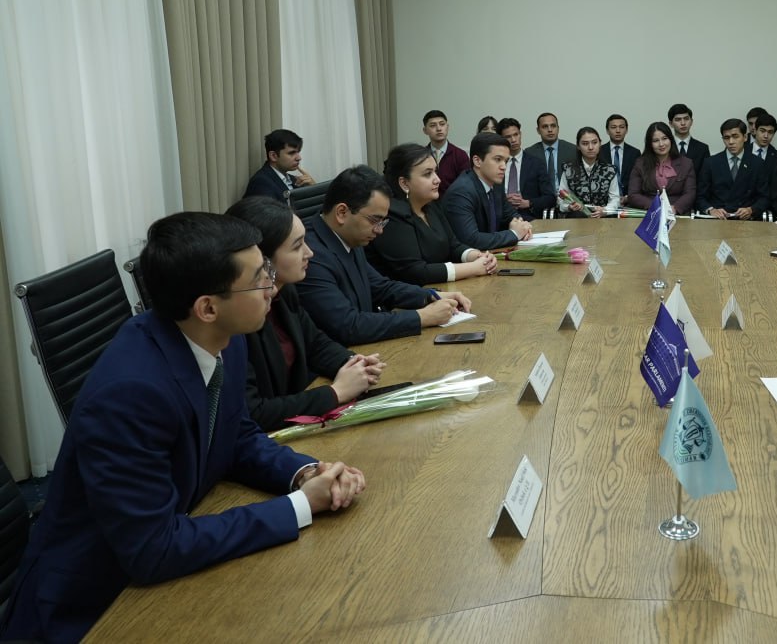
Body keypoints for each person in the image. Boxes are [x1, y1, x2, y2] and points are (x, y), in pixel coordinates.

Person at [0, 212, 365, 641]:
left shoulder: (225, 337)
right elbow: (153, 548)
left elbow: (236, 434)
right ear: (207, 307)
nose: (272, 286)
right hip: (93, 606)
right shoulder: (130, 394)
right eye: (259, 278)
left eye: (267, 268)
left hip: (169, 555)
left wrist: (303, 473)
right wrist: (299, 506)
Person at [227, 196, 386, 431]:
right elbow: (255, 413)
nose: (309, 253)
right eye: (297, 246)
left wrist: (353, 363)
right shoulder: (236, 320)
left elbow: (315, 343)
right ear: (260, 258)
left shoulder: (285, 292)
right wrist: (335, 392)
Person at [297, 165, 469, 344]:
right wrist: (422, 317)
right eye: (375, 220)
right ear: (342, 212)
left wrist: (430, 295)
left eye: (382, 222)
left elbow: (381, 287)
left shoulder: (349, 235)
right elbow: (348, 325)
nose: (379, 230)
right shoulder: (309, 255)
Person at [367, 143, 499, 284]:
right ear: (404, 183)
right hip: (410, 294)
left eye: (435, 172)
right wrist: (473, 268)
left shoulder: (431, 205)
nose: (438, 180)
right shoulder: (391, 214)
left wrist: (476, 256)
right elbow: (415, 272)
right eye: (427, 174)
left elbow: (453, 246)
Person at [444, 132, 536, 249]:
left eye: (505, 161)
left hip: (491, 254)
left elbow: (511, 214)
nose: (504, 166)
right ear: (477, 161)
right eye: (498, 159)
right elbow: (471, 240)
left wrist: (522, 226)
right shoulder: (461, 192)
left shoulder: (495, 184)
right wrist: (515, 234)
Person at [696, 118, 768, 219]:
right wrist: (711, 210)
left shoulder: (757, 163)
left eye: (735, 136)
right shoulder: (711, 163)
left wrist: (751, 209)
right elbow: (700, 196)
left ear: (745, 137)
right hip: (718, 219)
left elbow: (764, 197)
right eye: (726, 138)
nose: (731, 142)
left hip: (746, 220)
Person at [625, 121, 696, 215]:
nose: (661, 144)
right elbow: (633, 194)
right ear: (650, 144)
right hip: (649, 213)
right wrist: (656, 207)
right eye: (656, 141)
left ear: (671, 139)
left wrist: (674, 208)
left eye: (664, 138)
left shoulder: (686, 163)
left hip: (677, 214)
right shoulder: (640, 163)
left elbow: (690, 193)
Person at [497, 117, 555, 220]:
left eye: (516, 134)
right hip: (500, 214)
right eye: (508, 137)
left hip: (527, 216)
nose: (513, 140)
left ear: (520, 134)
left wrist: (528, 203)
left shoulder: (536, 163)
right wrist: (503, 199)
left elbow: (550, 198)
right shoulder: (495, 163)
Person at [558, 126, 620, 217]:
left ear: (600, 144)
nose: (590, 147)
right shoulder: (569, 169)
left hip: (602, 217)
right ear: (578, 146)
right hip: (577, 217)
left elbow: (615, 199)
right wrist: (569, 207)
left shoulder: (609, 170)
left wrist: (605, 210)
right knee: (577, 215)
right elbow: (561, 198)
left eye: (594, 143)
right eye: (585, 144)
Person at [244, 128, 316, 200]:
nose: (299, 158)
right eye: (291, 153)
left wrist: (314, 189)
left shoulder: (295, 180)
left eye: (298, 152)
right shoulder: (261, 183)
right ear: (273, 156)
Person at [422, 109, 470, 196]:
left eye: (442, 124)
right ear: (425, 130)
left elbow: (465, 186)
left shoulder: (460, 155)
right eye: (433, 125)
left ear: (447, 127)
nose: (439, 129)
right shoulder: (421, 156)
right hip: (427, 202)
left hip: (453, 202)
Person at [525, 112, 577, 183]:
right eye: (545, 126)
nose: (550, 130)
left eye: (553, 126)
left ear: (558, 128)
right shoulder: (530, 153)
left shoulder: (572, 150)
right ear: (538, 130)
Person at [667, 103, 710, 177]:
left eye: (686, 119)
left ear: (691, 121)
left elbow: (705, 178)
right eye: (678, 120)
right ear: (671, 124)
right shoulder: (665, 147)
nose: (683, 123)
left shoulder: (702, 148)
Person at [605, 113, 641, 197]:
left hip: (628, 199)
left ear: (626, 130)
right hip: (605, 200)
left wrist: (628, 197)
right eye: (613, 127)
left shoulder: (635, 153)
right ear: (607, 131)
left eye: (621, 127)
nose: (618, 131)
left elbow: (638, 179)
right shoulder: (599, 152)